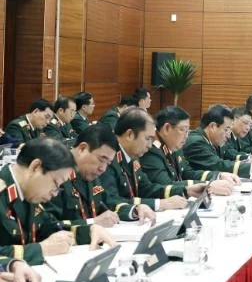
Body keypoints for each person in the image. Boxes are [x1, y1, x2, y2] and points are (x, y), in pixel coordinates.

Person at [0, 137, 116, 265]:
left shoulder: (27, 191)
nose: (55, 193)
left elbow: (49, 227)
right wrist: (41, 249)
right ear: (35, 167)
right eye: (55, 184)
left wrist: (88, 231)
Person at [45, 125, 156, 226]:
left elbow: (108, 202)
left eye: (108, 163)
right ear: (82, 149)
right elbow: (50, 226)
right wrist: (93, 222)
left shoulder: (89, 173)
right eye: (101, 159)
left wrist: (134, 210)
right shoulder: (55, 172)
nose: (103, 168)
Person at [100, 108, 188, 214]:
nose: (150, 145)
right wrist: (160, 204)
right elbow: (111, 201)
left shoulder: (131, 156)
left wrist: (185, 190)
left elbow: (146, 188)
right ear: (130, 135)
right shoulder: (107, 157)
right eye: (147, 139)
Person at [139, 106, 237, 198]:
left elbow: (187, 172)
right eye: (183, 130)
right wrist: (208, 185)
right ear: (167, 128)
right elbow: (165, 184)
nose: (186, 136)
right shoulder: (151, 150)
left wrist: (218, 176)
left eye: (187, 131)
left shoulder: (173, 145)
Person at [183, 105, 252, 180]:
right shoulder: (196, 141)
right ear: (213, 126)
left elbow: (228, 156)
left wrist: (250, 162)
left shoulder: (212, 140)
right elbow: (217, 165)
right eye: (226, 129)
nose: (228, 135)